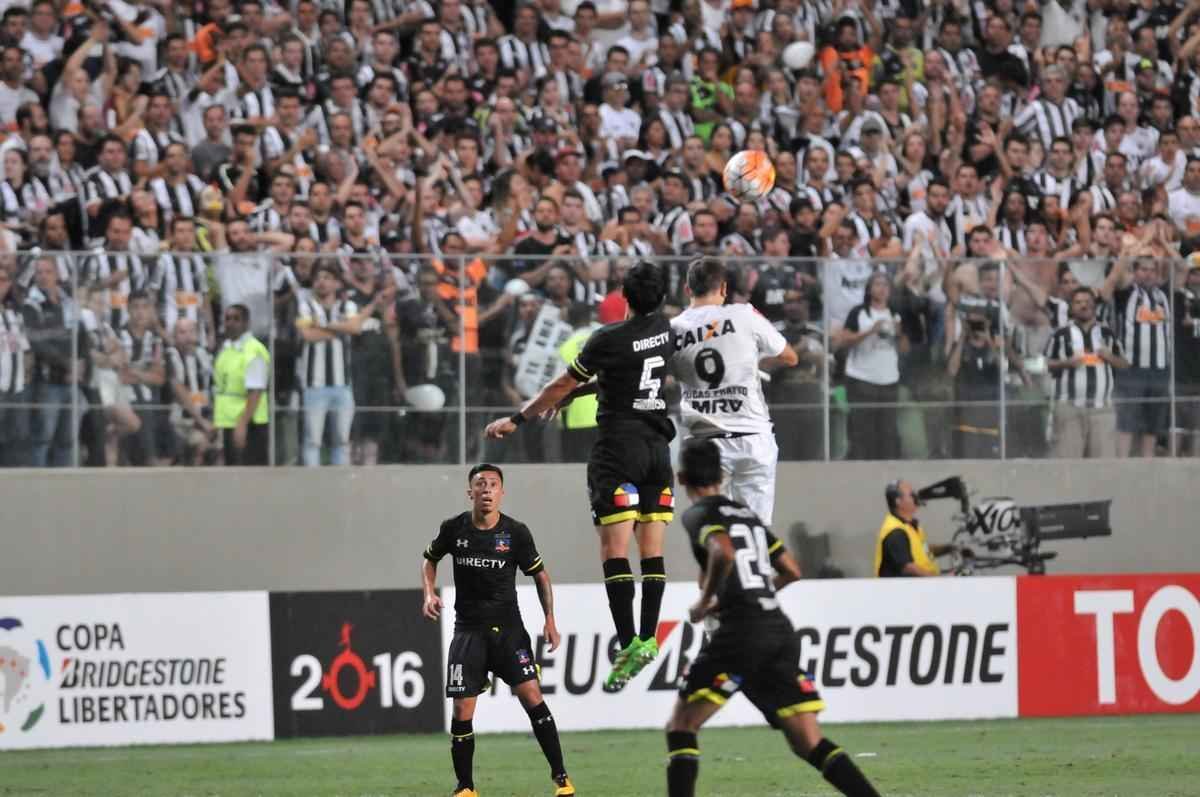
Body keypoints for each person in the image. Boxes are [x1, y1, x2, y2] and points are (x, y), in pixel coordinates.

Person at [484, 262, 675, 692]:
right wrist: (577, 395)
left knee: (614, 549)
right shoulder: (664, 328)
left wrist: (519, 417)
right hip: (658, 449)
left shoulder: (608, 338)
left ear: (624, 296)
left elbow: (558, 383)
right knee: (652, 550)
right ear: (660, 298)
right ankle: (647, 638)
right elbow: (626, 373)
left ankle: (628, 642)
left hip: (618, 451)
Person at [668, 439, 882, 797]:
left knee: (682, 726)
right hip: (777, 629)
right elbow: (792, 570)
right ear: (722, 476)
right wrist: (745, 596)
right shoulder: (746, 515)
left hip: (742, 633)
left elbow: (722, 552)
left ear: (681, 477)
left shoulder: (698, 514)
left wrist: (706, 603)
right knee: (809, 742)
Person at [421, 464, 575, 797]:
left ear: (502, 492)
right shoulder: (453, 528)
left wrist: (550, 619)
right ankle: (465, 787)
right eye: (480, 484)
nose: (487, 489)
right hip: (468, 631)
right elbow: (429, 559)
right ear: (470, 492)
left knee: (532, 698)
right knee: (462, 709)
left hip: (508, 631)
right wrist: (428, 592)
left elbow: (541, 576)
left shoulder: (516, 533)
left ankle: (561, 778)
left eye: (493, 484)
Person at [670, 256, 798, 525]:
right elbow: (790, 357)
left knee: (715, 532)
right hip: (753, 436)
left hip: (707, 443)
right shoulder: (744, 314)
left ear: (687, 289)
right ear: (724, 289)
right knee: (756, 531)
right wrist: (750, 359)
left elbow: (665, 374)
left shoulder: (673, 329)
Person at [213, 304, 270, 466]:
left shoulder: (254, 350)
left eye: (236, 319)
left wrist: (242, 424)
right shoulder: (226, 349)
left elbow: (256, 391)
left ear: (246, 323)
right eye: (227, 319)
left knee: (251, 476)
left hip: (249, 425)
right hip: (228, 422)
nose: (230, 323)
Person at [875, 480, 960, 577]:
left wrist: (949, 548)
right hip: (904, 590)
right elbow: (908, 568)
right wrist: (939, 581)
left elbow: (923, 550)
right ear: (898, 501)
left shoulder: (910, 526)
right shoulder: (895, 531)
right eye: (911, 494)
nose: (916, 496)